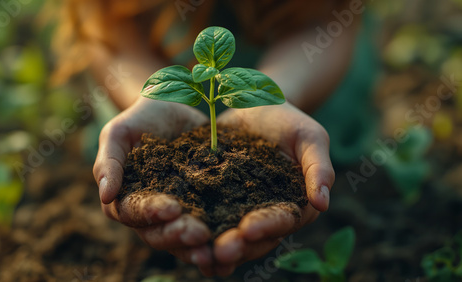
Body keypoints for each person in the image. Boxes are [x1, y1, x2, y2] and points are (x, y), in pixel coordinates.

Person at [54, 0, 361, 277]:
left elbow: (328, 17)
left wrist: (281, 96)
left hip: (302, 64)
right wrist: (145, 99)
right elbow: (105, 22)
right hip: (156, 52)